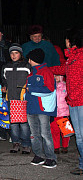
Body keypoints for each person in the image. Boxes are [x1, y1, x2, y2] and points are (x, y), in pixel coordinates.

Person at [50, 26, 83, 175]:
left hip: (80, 102)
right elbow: (60, 69)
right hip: (73, 102)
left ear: (70, 41)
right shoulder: (71, 59)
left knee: (81, 137)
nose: (65, 43)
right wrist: (43, 69)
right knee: (79, 136)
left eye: (66, 41)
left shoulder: (80, 58)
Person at [25, 48, 57, 168]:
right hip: (31, 108)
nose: (29, 60)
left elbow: (49, 89)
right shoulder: (31, 73)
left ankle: (50, 157)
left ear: (33, 59)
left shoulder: (46, 72)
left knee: (45, 133)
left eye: (30, 58)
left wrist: (32, 90)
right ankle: (39, 154)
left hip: (42, 108)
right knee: (34, 134)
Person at [1, 43, 31, 154]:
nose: (13, 55)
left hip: (22, 98)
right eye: (12, 53)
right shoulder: (6, 66)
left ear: (20, 54)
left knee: (23, 123)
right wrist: (4, 87)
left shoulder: (27, 66)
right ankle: (15, 142)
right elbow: (3, 80)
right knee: (13, 122)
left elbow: (30, 79)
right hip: (11, 98)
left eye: (16, 53)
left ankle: (26, 144)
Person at [50, 75, 70, 154]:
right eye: (54, 75)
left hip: (64, 112)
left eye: (58, 75)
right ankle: (56, 147)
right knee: (54, 131)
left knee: (65, 131)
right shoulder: (51, 86)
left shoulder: (65, 86)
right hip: (54, 113)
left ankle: (65, 146)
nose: (56, 77)